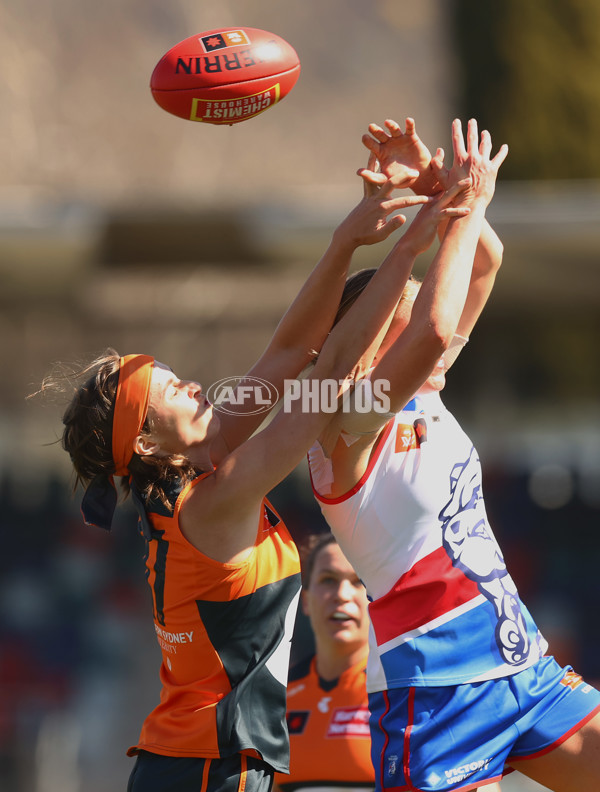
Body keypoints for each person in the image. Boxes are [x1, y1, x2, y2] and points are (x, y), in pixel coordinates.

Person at [44, 151, 474, 792]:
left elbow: (287, 355)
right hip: (213, 770)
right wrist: (408, 248)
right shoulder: (212, 499)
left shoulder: (204, 459)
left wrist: (348, 238)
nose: (191, 382)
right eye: (169, 388)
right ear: (146, 438)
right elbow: (323, 379)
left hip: (196, 764)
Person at [307, 117, 600, 792]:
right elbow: (437, 328)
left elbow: (484, 265)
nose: (421, 323)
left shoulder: (426, 388)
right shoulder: (343, 427)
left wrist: (441, 191)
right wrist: (471, 201)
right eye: (399, 318)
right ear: (367, 344)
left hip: (526, 669)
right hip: (439, 696)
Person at [274, 533, 374, 792]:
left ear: (377, 597)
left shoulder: (408, 696)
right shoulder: (273, 700)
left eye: (357, 581)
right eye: (328, 580)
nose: (341, 594)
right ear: (305, 601)